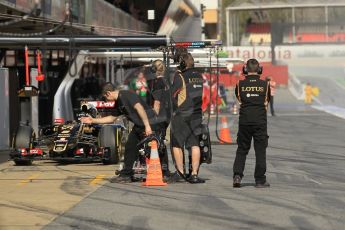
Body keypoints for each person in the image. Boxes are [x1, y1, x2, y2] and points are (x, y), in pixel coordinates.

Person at [80, 82, 157, 183]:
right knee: (130, 147)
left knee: (154, 148)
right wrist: (93, 121)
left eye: (105, 98)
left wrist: (147, 126)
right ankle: (126, 175)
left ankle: (163, 172)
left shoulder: (125, 95)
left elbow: (139, 108)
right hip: (140, 125)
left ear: (108, 93)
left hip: (150, 121)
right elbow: (112, 118)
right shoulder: (119, 102)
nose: (106, 101)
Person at [233, 58, 271, 188]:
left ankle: (237, 176)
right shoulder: (265, 85)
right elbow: (267, 101)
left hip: (244, 121)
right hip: (260, 122)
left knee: (242, 149)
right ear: (260, 70)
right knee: (260, 151)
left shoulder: (239, 84)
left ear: (245, 70)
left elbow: (239, 99)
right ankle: (260, 180)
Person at [170, 53, 205, 183]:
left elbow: (172, 96)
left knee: (177, 144)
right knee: (194, 144)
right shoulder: (199, 76)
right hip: (196, 115)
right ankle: (194, 174)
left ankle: (180, 173)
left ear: (182, 64)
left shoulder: (180, 77)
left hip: (182, 115)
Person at [146, 59, 171, 178]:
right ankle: (164, 169)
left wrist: (152, 117)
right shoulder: (166, 82)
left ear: (154, 69)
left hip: (159, 117)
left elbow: (157, 102)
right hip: (166, 116)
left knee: (156, 142)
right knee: (161, 141)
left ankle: (162, 170)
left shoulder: (157, 83)